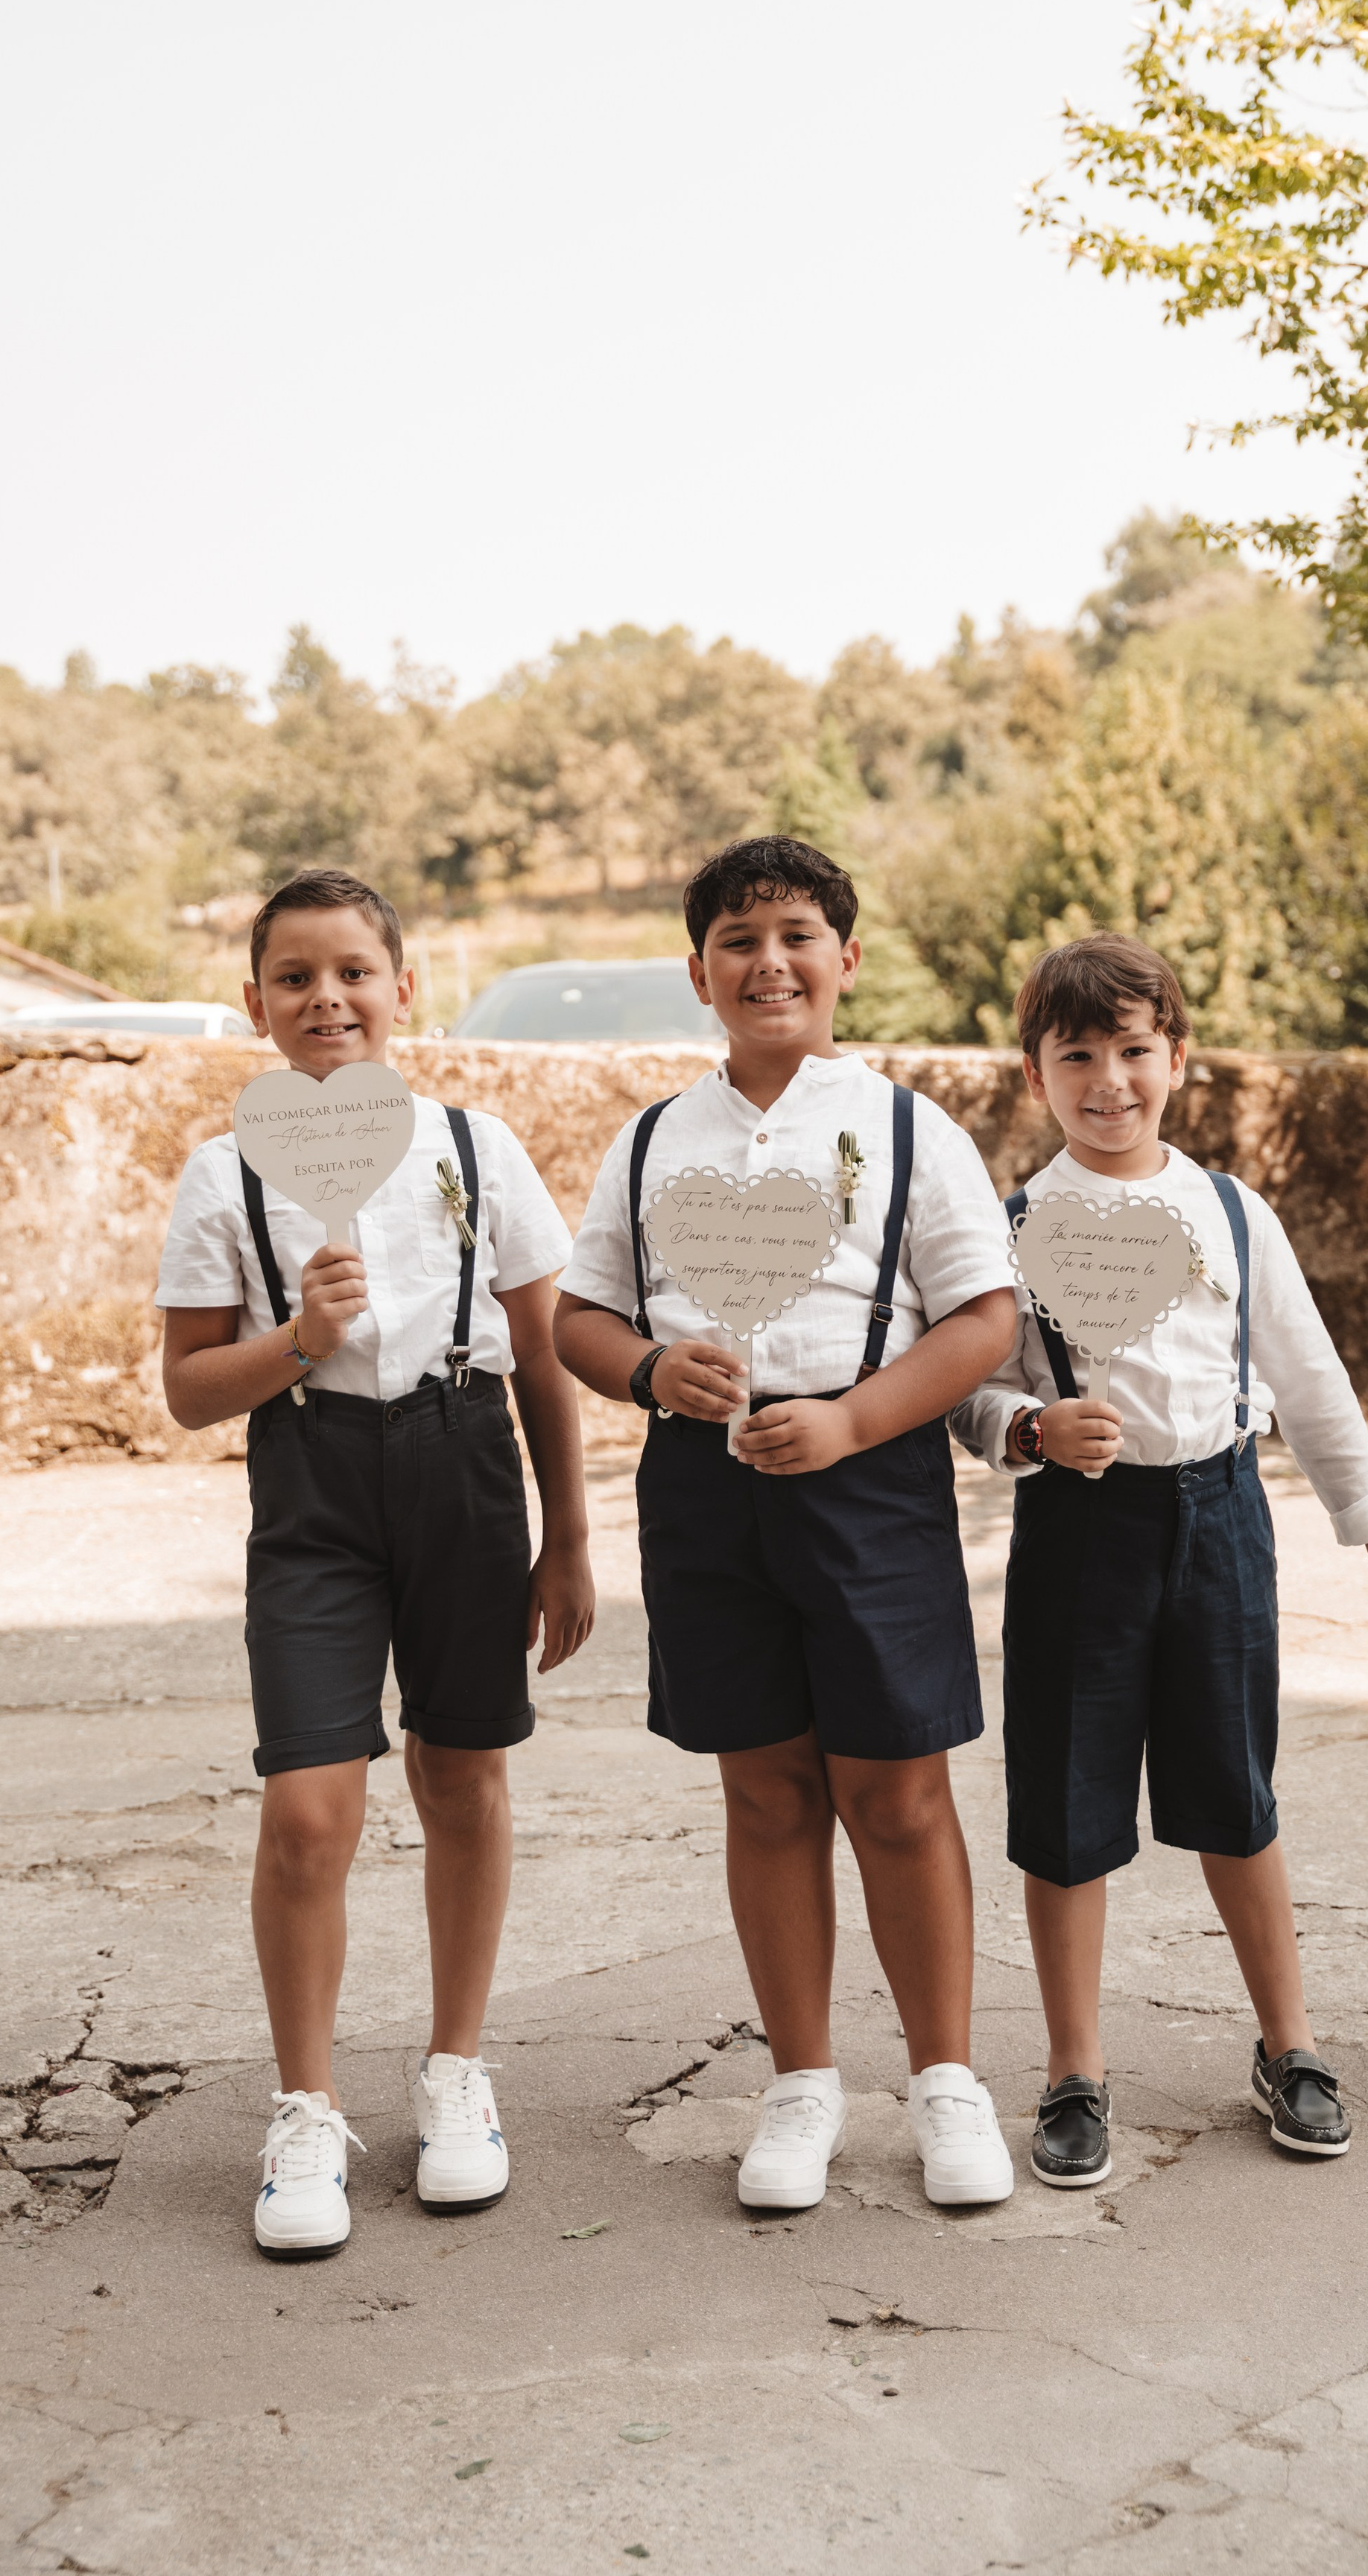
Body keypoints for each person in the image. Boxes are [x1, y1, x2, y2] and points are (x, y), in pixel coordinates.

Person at [554, 834, 1021, 2215]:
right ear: (700, 972)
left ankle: (946, 2082)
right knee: (764, 1790)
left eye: (799, 934)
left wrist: (854, 1421)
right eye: (740, 939)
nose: (771, 960)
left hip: (868, 1481)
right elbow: (580, 1316)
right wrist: (647, 1369)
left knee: (897, 1788)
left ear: (847, 961)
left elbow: (984, 1317)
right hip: (704, 1488)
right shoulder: (652, 1139)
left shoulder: (904, 1125)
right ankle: (802, 2083)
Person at [953, 933, 1368, 2181]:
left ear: (1177, 1056)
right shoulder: (1010, 1227)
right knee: (1066, 1807)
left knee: (1237, 1794)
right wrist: (1028, 1424)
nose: (1109, 1079)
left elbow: (1313, 1381)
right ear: (1036, 1075)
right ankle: (1076, 2069)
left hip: (1223, 1518)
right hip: (1081, 1530)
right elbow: (963, 1389)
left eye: (1134, 1050)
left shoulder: (1234, 1211)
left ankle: (1289, 2045)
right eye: (1079, 1056)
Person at [158, 867, 590, 2258]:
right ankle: (306, 2104)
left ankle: (456, 2069)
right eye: (294, 976)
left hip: (464, 1469)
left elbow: (539, 1353)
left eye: (353, 971)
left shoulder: (477, 1145)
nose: (325, 998)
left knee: (461, 1775)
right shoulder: (226, 1167)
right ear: (256, 1004)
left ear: (405, 990)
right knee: (307, 1810)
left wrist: (569, 1537)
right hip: (313, 1484)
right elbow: (186, 1388)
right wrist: (300, 1336)